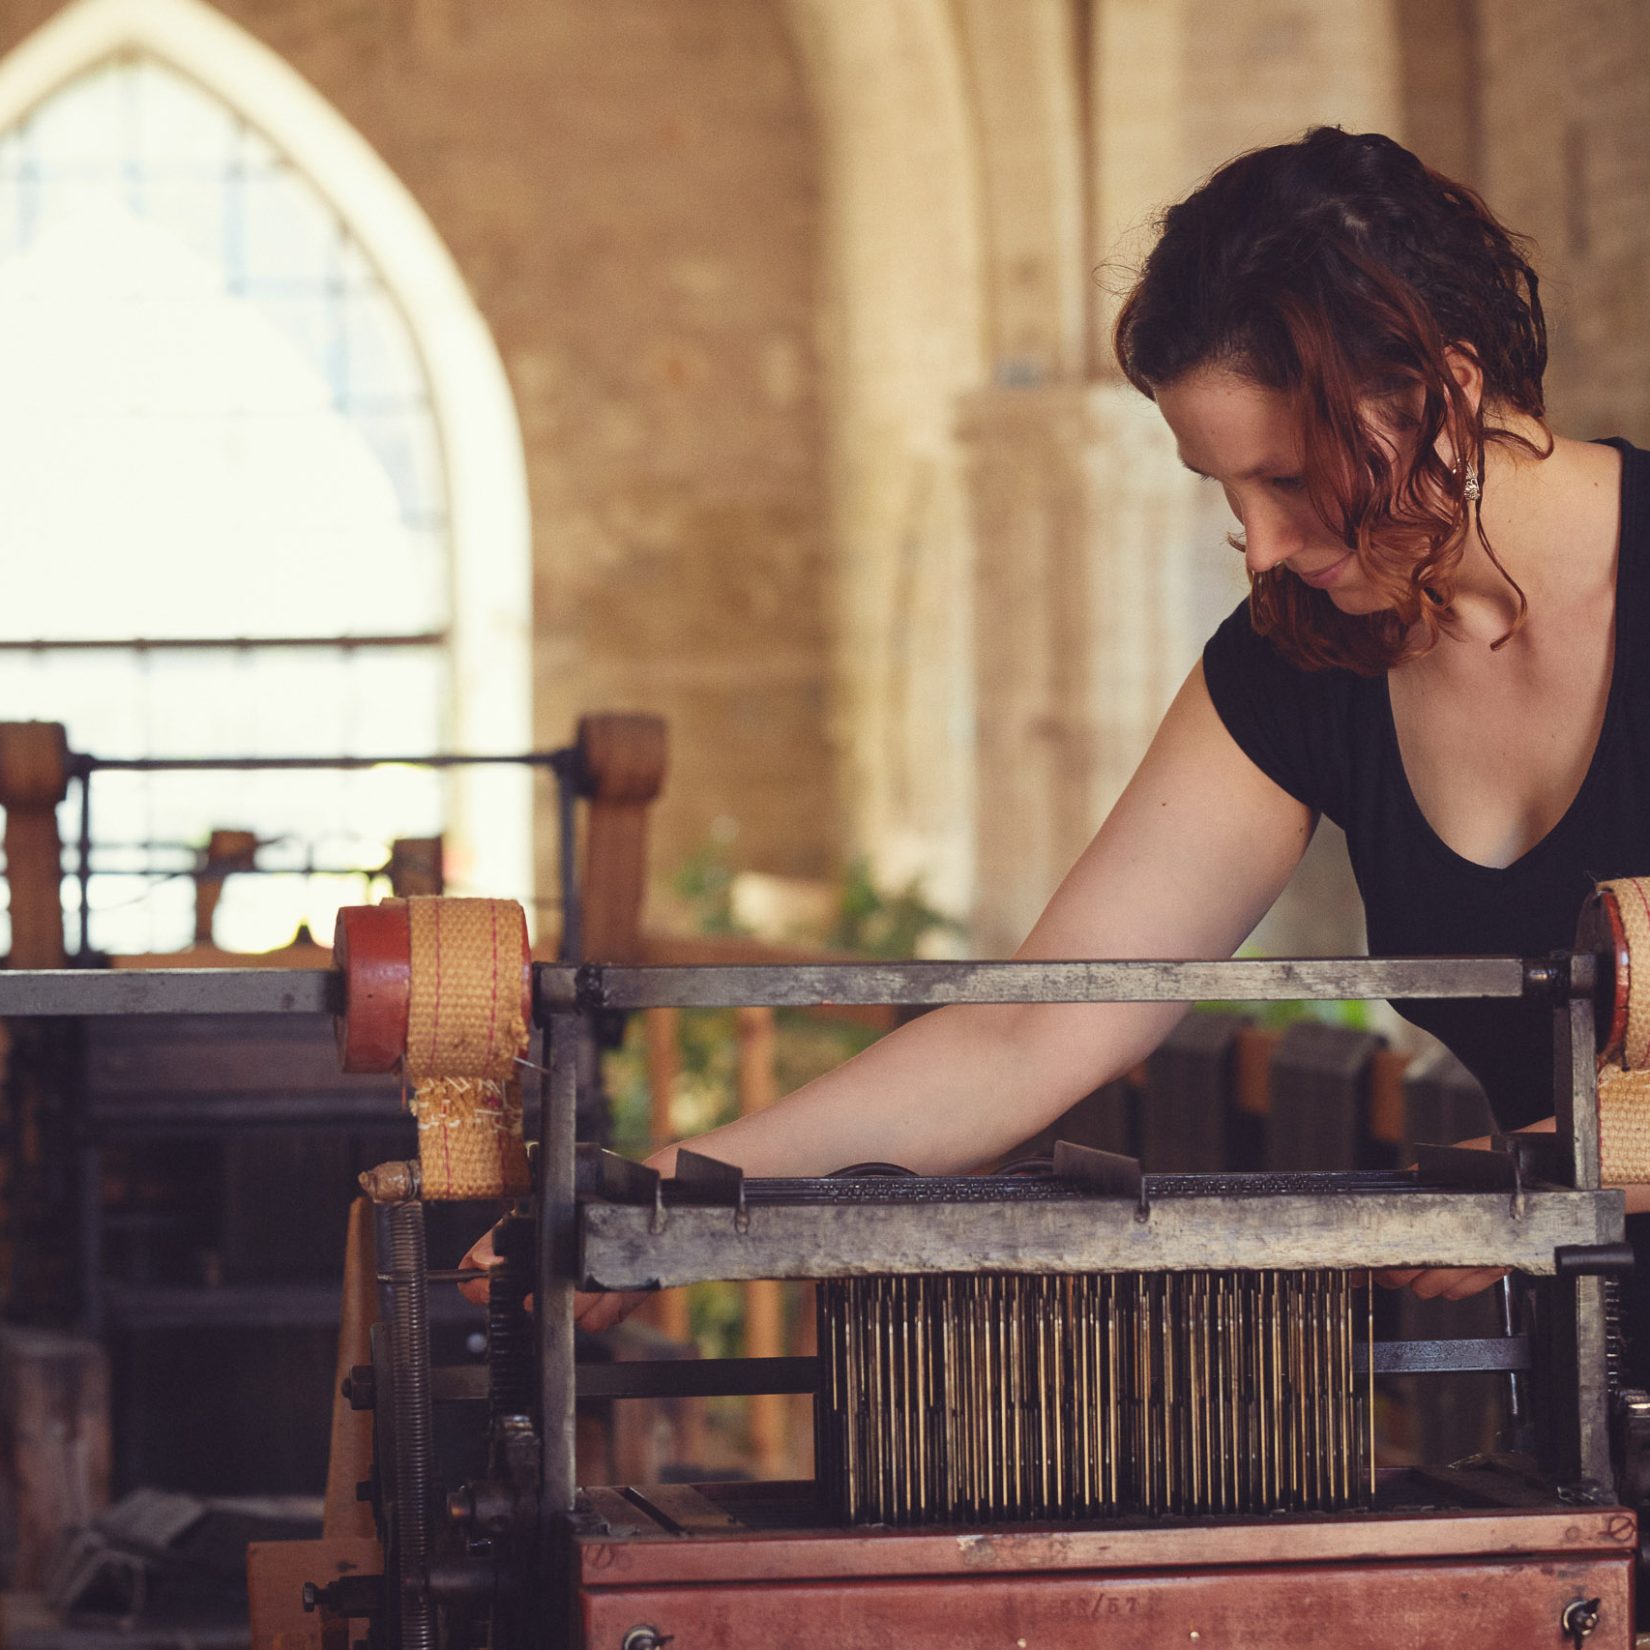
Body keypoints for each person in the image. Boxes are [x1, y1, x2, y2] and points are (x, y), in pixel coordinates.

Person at [463, 126, 1650, 1338]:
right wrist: (668, 1194)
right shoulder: (1300, 658)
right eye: (1225, 491)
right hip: (1591, 1396)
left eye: (1289, 479)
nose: (1265, 545)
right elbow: (1027, 1032)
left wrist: (1589, 1148)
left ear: (1445, 395)